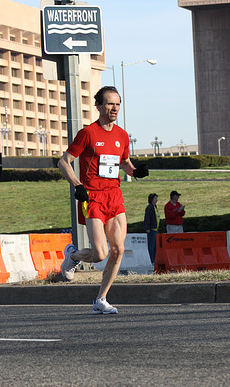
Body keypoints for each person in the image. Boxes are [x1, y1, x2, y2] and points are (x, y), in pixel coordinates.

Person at [58, 86, 149, 315]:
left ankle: (101, 298)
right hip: (92, 197)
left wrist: (135, 172)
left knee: (118, 250)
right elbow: (64, 162)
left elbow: (124, 162)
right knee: (100, 253)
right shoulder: (88, 133)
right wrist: (77, 185)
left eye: (117, 104)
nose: (114, 108)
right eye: (109, 103)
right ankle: (73, 256)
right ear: (98, 106)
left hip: (114, 195)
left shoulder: (122, 135)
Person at [143, 193, 159, 264]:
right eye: (155, 198)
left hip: (155, 229)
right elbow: (147, 218)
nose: (156, 200)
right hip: (152, 229)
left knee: (155, 246)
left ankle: (155, 259)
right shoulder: (149, 207)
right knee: (151, 246)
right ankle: (152, 260)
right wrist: (147, 228)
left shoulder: (155, 207)